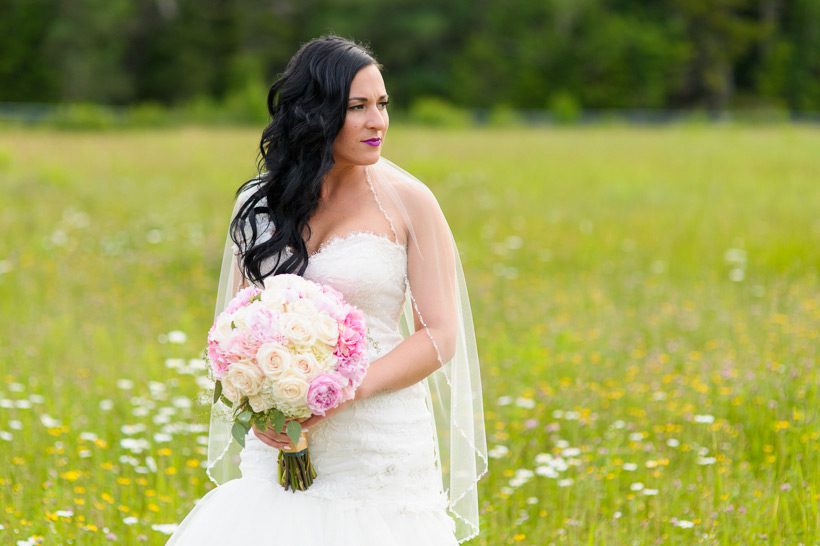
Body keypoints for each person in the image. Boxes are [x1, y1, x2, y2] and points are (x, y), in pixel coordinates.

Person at [166, 35, 487, 545]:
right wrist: (256, 407)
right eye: (357, 107)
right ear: (316, 113)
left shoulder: (410, 203)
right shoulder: (259, 203)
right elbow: (234, 325)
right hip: (280, 436)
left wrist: (344, 391)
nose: (377, 121)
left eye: (382, 104)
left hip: (377, 440)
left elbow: (440, 334)